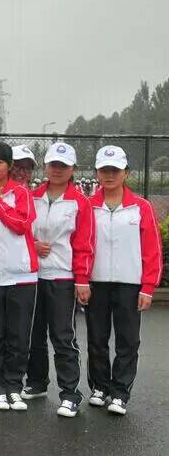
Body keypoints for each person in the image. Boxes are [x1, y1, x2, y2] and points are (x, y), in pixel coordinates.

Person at [85, 145, 161, 416]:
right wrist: (82, 280)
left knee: (127, 340)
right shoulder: (88, 206)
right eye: (104, 170)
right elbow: (81, 245)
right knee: (96, 337)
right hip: (96, 283)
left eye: (115, 170)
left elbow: (152, 250)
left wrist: (148, 287)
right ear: (97, 172)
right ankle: (99, 387)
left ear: (126, 173)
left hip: (130, 284)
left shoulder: (141, 207)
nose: (109, 175)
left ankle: (120, 392)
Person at [24, 142, 94, 417]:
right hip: (32, 275)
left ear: (73, 169)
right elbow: (20, 231)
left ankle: (70, 393)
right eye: (53, 164)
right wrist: (33, 245)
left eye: (63, 166)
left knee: (63, 336)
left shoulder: (80, 203)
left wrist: (82, 280)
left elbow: (84, 245)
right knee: (34, 333)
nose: (57, 170)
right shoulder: (32, 197)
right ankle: (37, 381)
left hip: (62, 277)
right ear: (45, 166)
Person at [0, 142, 39, 413]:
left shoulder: (21, 192)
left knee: (18, 337)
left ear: (9, 166)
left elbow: (21, 225)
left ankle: (14, 386)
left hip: (21, 275)